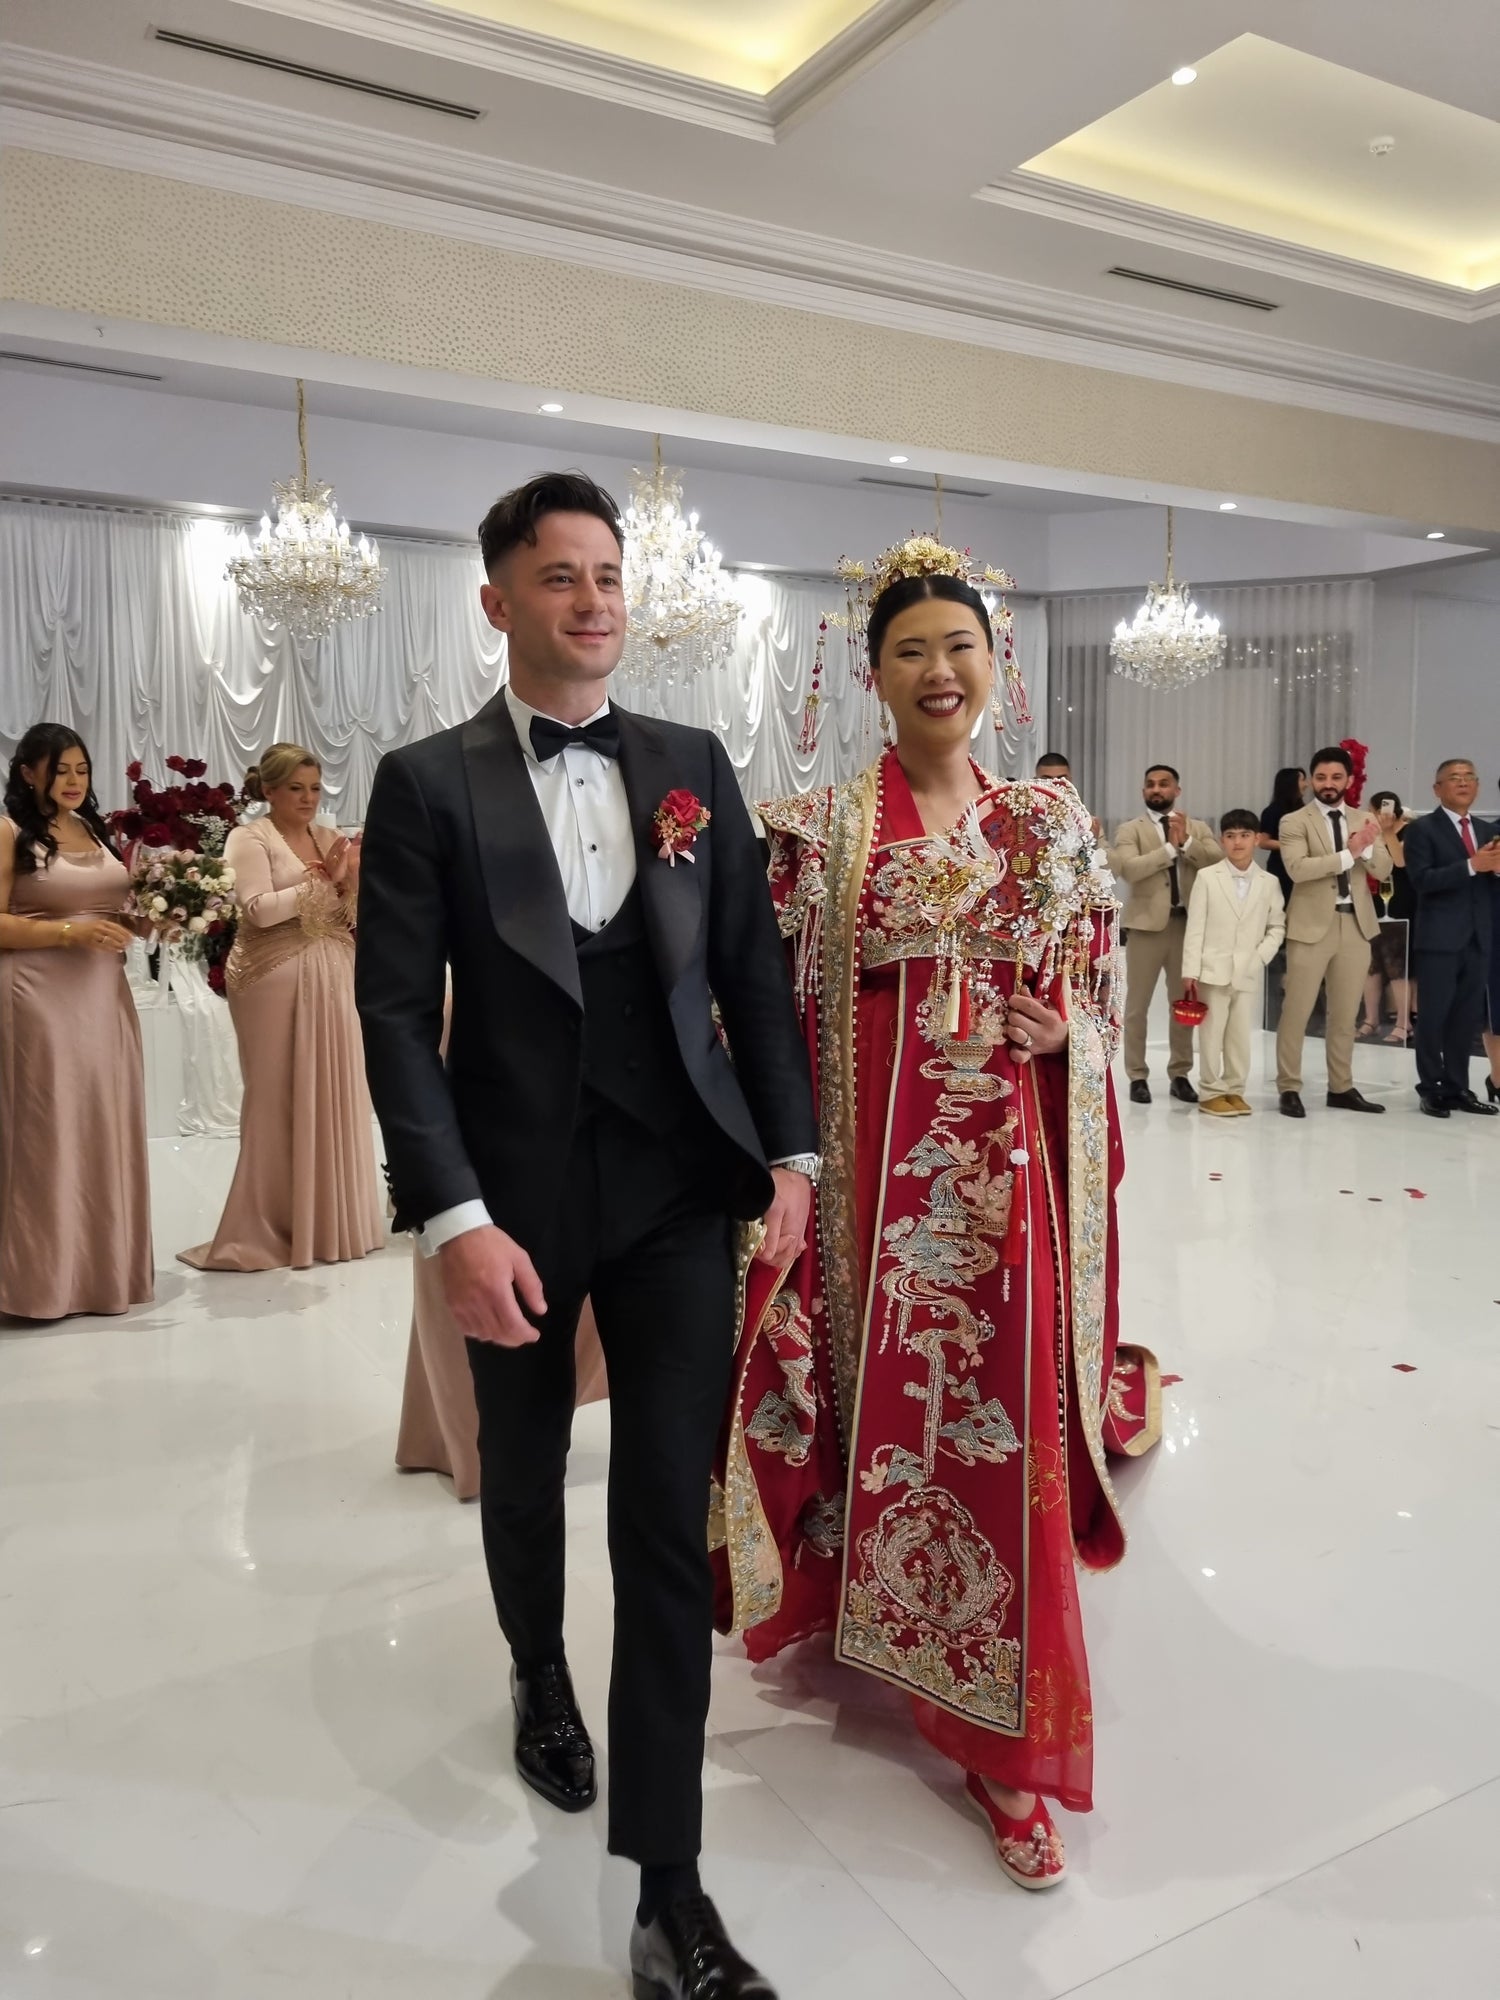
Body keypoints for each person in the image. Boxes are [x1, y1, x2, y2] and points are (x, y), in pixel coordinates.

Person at [355, 472, 817, 2000]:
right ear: (499, 601)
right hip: (518, 1204)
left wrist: (793, 1152)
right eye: (560, 577)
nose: (595, 599)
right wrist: (456, 1217)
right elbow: (395, 1018)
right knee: (527, 1463)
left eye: (609, 574)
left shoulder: (692, 764)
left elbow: (750, 972)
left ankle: (669, 1895)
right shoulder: (429, 783)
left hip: (680, 1189)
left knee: (666, 1518)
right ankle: (539, 1670)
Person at [717, 550, 1160, 1894]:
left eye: (959, 645)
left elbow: (1083, 1007)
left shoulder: (1047, 826)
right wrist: (784, 1176)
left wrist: (1065, 1040)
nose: (938, 670)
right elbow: (768, 1022)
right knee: (873, 1407)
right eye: (910, 649)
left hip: (1003, 1196)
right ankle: (874, 1605)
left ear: (994, 664)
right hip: (868, 1194)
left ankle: (1001, 1737)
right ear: (875, 676)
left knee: (992, 1432)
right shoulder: (815, 836)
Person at [180, 744, 385, 1271]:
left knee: (338, 1089)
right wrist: (325, 881)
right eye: (296, 788)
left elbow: (352, 911)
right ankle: (268, 1225)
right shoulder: (250, 838)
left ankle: (331, 1223)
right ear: (269, 790)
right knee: (274, 1098)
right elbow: (258, 911)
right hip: (268, 978)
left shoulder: (330, 838)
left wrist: (352, 882)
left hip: (334, 973)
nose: (308, 798)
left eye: (314, 788)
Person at [0, 724, 154, 1320]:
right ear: (27, 772)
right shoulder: (9, 832)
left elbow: (107, 907)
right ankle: (37, 1283)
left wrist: (148, 918)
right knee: (47, 1131)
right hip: (38, 999)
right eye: (60, 769)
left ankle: (97, 1274)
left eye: (82, 770)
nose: (73, 781)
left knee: (100, 1123)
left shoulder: (91, 828)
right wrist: (68, 933)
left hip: (103, 996)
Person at [1274, 747, 1393, 1118]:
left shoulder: (1364, 818)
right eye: (1321, 777)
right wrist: (1349, 853)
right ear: (1311, 780)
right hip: (1310, 927)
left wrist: (1368, 847)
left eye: (1336, 777)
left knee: (1345, 1015)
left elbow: (1384, 869)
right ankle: (1289, 1088)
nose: (1328, 784)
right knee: (1296, 1012)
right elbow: (1297, 869)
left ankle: (1340, 1087)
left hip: (1355, 924)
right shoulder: (1294, 821)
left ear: (1349, 780)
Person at [1107, 765, 1223, 1104]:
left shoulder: (1196, 828)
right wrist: (1170, 851)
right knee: (1137, 1007)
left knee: (1183, 1003)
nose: (1156, 789)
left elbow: (1216, 862)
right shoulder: (1131, 829)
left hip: (1188, 927)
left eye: (1163, 784)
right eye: (1150, 785)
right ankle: (1137, 1075)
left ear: (1177, 790)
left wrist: (1186, 841)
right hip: (1146, 928)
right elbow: (1129, 870)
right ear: (1144, 791)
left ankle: (1180, 1074)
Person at [1401, 758, 1500, 1118]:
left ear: (1477, 786)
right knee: (1433, 1017)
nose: (1463, 783)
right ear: (1437, 788)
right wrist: (1473, 866)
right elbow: (1422, 880)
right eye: (1454, 778)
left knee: (1466, 1019)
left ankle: (1458, 1087)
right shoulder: (1422, 830)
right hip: (1439, 940)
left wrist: (1495, 871)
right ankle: (1431, 1089)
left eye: (1469, 777)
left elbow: (1488, 884)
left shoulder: (1487, 830)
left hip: (1478, 938)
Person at [1181, 808, 1286, 1116]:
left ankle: (1234, 1088)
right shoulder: (1207, 877)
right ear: (1221, 840)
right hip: (1212, 969)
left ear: (1257, 839)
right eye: (1230, 836)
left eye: (1244, 835)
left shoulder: (1269, 882)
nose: (1237, 842)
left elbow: (1277, 927)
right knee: (1211, 1034)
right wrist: (1190, 970)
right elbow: (1195, 927)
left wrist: (1260, 957)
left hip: (1248, 970)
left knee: (1240, 1036)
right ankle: (1210, 1090)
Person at [1360, 790, 1415, 1044]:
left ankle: (1404, 1023)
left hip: (1401, 900)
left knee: (1397, 963)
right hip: (1373, 899)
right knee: (1371, 963)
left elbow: (1400, 861)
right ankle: (1370, 1019)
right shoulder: (1372, 832)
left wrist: (1388, 831)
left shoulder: (1410, 830)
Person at [1258, 766, 1306, 907]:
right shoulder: (1272, 811)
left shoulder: (1304, 810)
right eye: (1302, 780)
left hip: (1303, 865)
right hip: (1280, 867)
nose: (1306, 784)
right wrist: (1290, 844)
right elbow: (1263, 842)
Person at [1035, 750, 1102, 841]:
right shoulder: (1022, 818)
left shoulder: (1088, 823)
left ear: (1070, 781)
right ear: (1034, 781)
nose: (1054, 785)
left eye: (1061, 779)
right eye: (1046, 780)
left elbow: (1103, 848)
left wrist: (1093, 841)